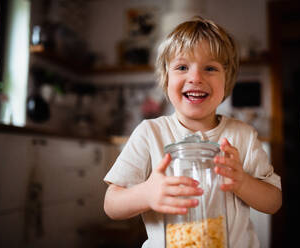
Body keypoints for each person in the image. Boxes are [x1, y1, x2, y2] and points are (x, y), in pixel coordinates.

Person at [103, 16, 282, 248]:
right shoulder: (150, 133)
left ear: (227, 80)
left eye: (210, 68)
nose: (196, 78)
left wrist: (243, 182)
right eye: (182, 67)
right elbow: (111, 204)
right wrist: (147, 193)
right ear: (166, 78)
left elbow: (273, 202)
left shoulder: (243, 136)